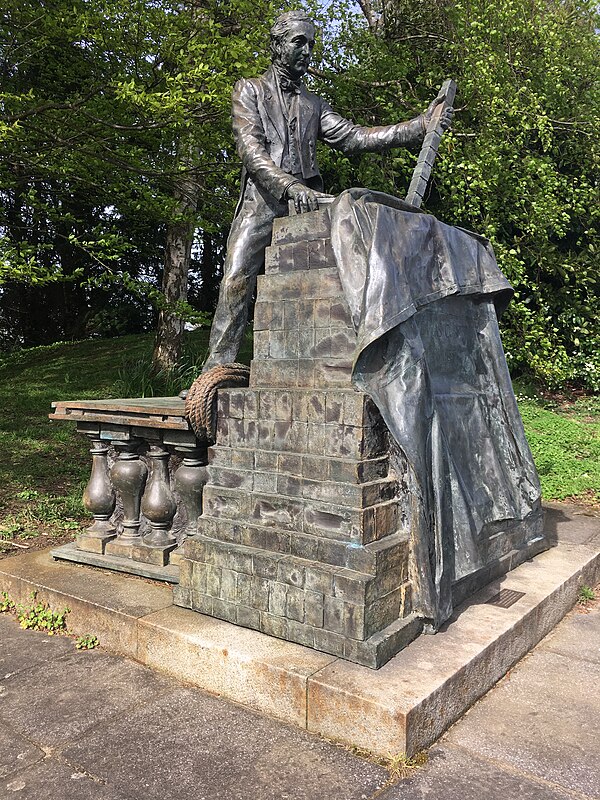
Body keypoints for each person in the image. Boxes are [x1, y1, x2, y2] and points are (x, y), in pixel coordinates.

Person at [203, 9, 453, 369]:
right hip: (264, 200)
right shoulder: (250, 90)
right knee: (236, 277)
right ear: (276, 46)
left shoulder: (314, 104)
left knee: (350, 253)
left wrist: (419, 126)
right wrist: (289, 185)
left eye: (311, 44)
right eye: (298, 42)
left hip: (309, 203)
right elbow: (252, 151)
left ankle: (342, 361)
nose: (307, 50)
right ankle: (215, 368)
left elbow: (354, 137)